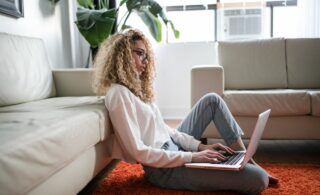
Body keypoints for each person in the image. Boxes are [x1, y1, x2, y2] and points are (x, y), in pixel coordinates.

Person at [92, 29, 278, 194]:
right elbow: (138, 152)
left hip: (175, 149)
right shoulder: (118, 94)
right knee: (258, 179)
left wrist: (199, 147)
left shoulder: (136, 90)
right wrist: (192, 156)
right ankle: (244, 166)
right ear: (122, 55)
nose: (145, 61)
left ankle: (245, 159)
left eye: (146, 55)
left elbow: (167, 131)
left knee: (212, 100)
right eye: (139, 54)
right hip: (163, 169)